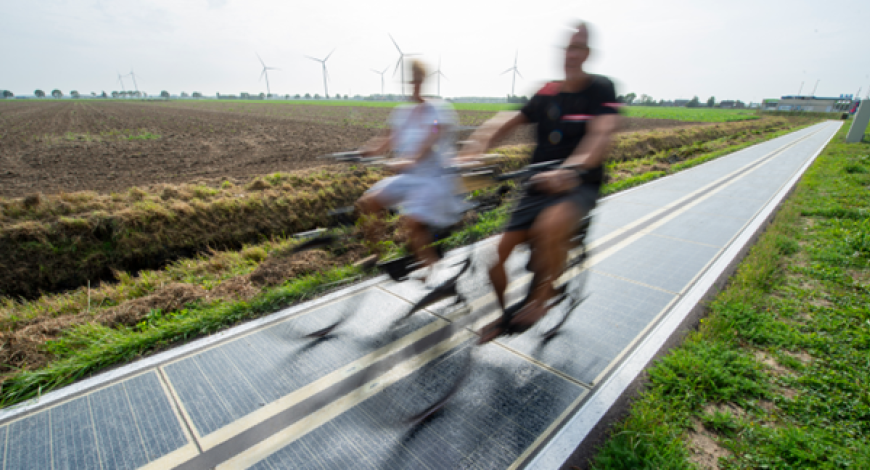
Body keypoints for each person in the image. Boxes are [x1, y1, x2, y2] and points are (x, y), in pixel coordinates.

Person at [460, 23, 621, 342]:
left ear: (586, 54)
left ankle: (541, 301)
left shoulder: (601, 89)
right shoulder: (547, 91)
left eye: (578, 49)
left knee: (550, 225)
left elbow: (600, 135)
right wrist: (477, 144)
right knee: (497, 255)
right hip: (537, 182)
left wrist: (571, 169)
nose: (571, 55)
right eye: (567, 48)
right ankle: (504, 315)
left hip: (578, 184)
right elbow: (510, 119)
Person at [356, 60, 462, 274]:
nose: (413, 85)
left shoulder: (438, 110)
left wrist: (412, 159)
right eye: (410, 80)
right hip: (410, 177)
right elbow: (388, 139)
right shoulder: (402, 112)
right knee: (367, 203)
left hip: (434, 180)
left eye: (417, 80)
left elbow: (432, 137)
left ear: (424, 81)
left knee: (412, 223)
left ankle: (435, 274)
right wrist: (367, 151)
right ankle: (376, 254)